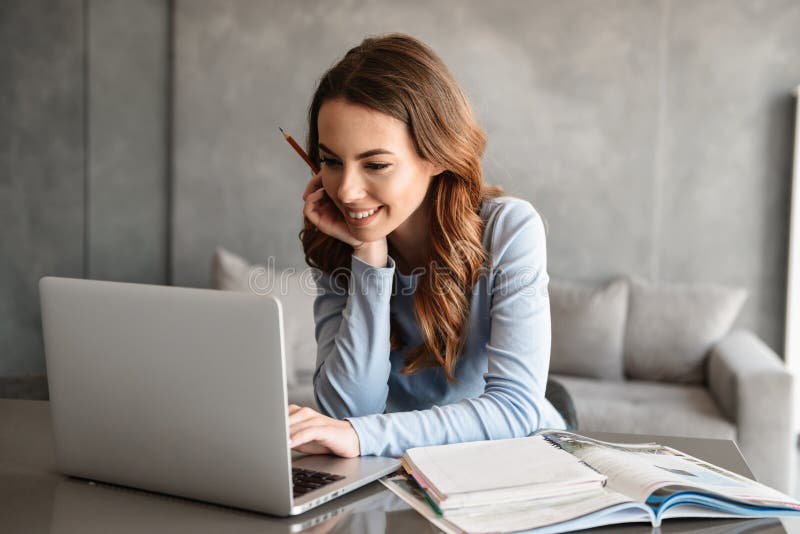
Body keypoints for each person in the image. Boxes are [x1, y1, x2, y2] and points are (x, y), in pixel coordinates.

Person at [289, 33, 566, 459]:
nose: (346, 191)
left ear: (436, 154)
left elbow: (515, 409)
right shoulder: (336, 239)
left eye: (376, 164)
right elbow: (349, 411)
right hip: (396, 469)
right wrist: (369, 256)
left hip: (509, 463)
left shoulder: (509, 228)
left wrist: (364, 436)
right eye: (331, 161)